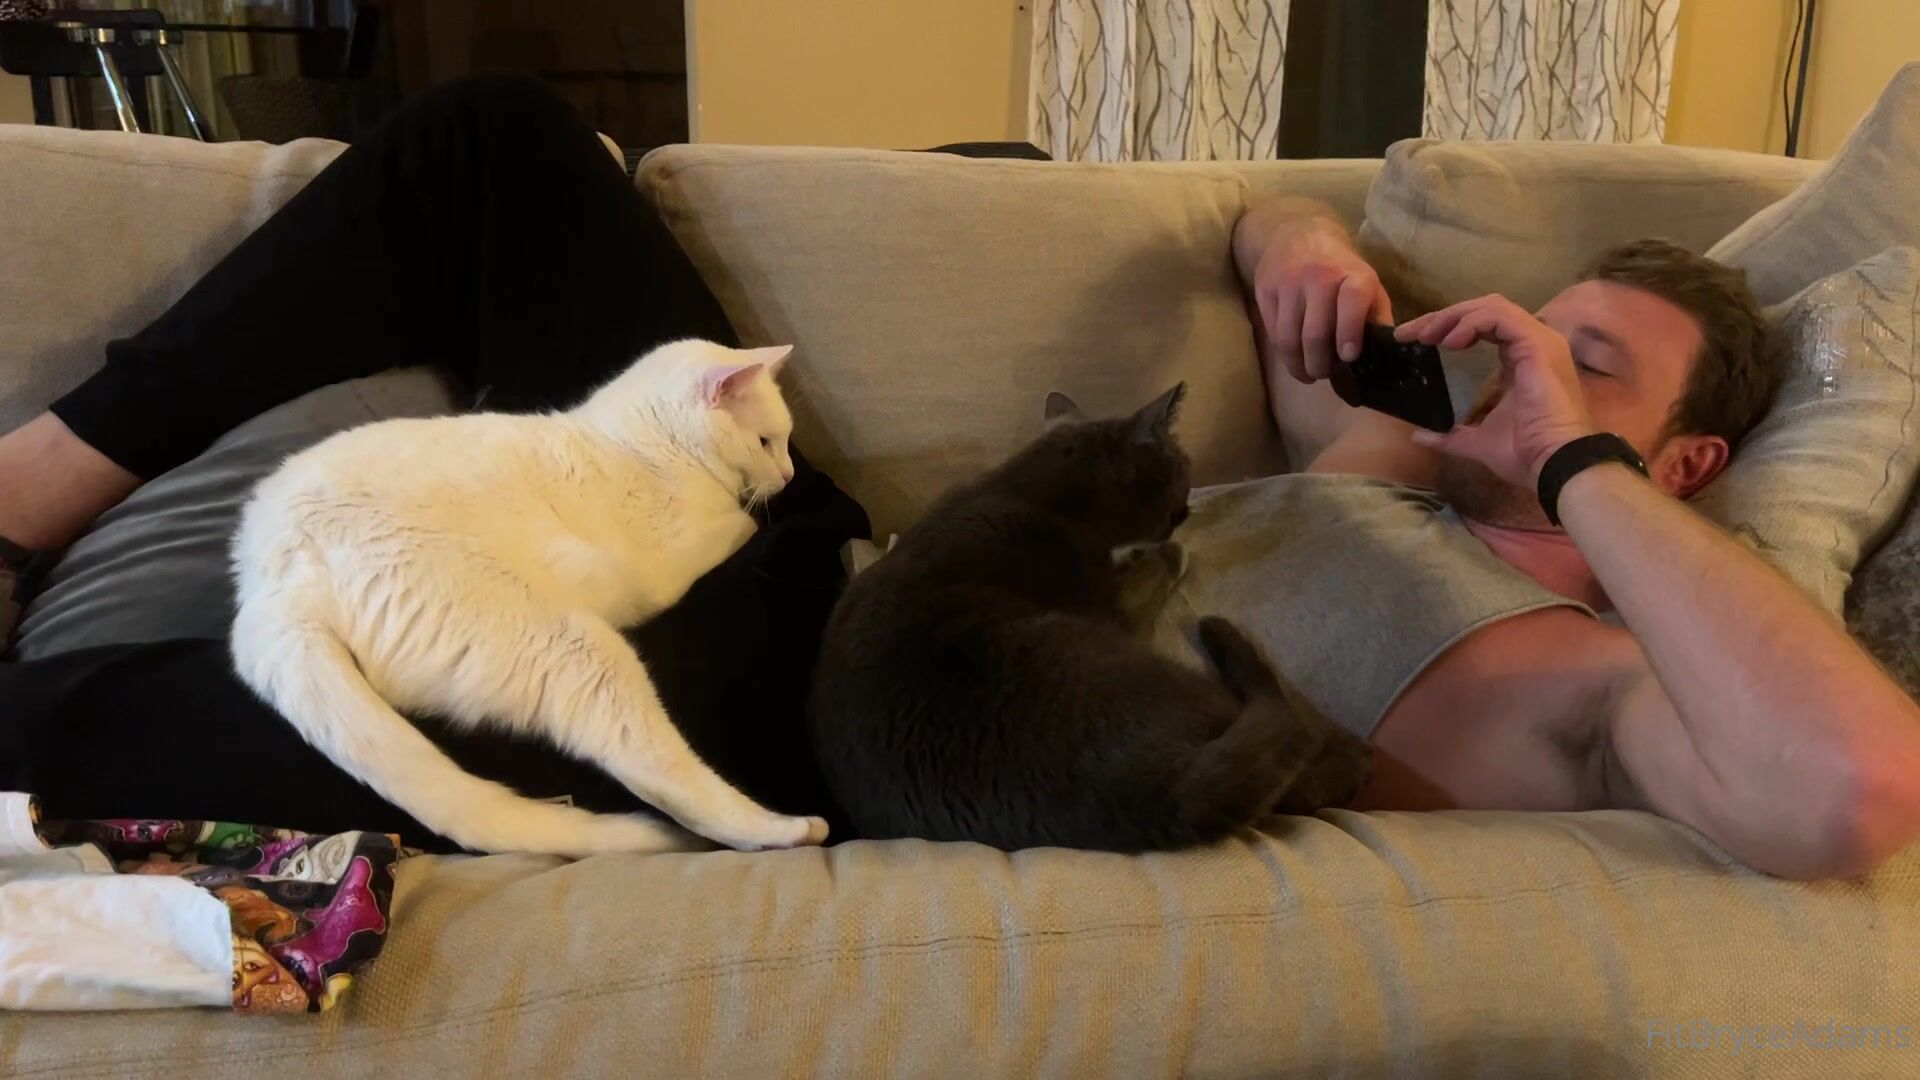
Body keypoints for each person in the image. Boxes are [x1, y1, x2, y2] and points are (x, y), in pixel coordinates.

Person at [1228, 195, 1920, 880]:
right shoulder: (1389, 459)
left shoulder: (1579, 684)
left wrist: (1567, 455)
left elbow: (1860, 782)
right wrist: (1308, 246)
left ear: (1684, 466)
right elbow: (1260, 220)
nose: (1525, 369)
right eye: (1530, 340)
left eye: (1584, 366)